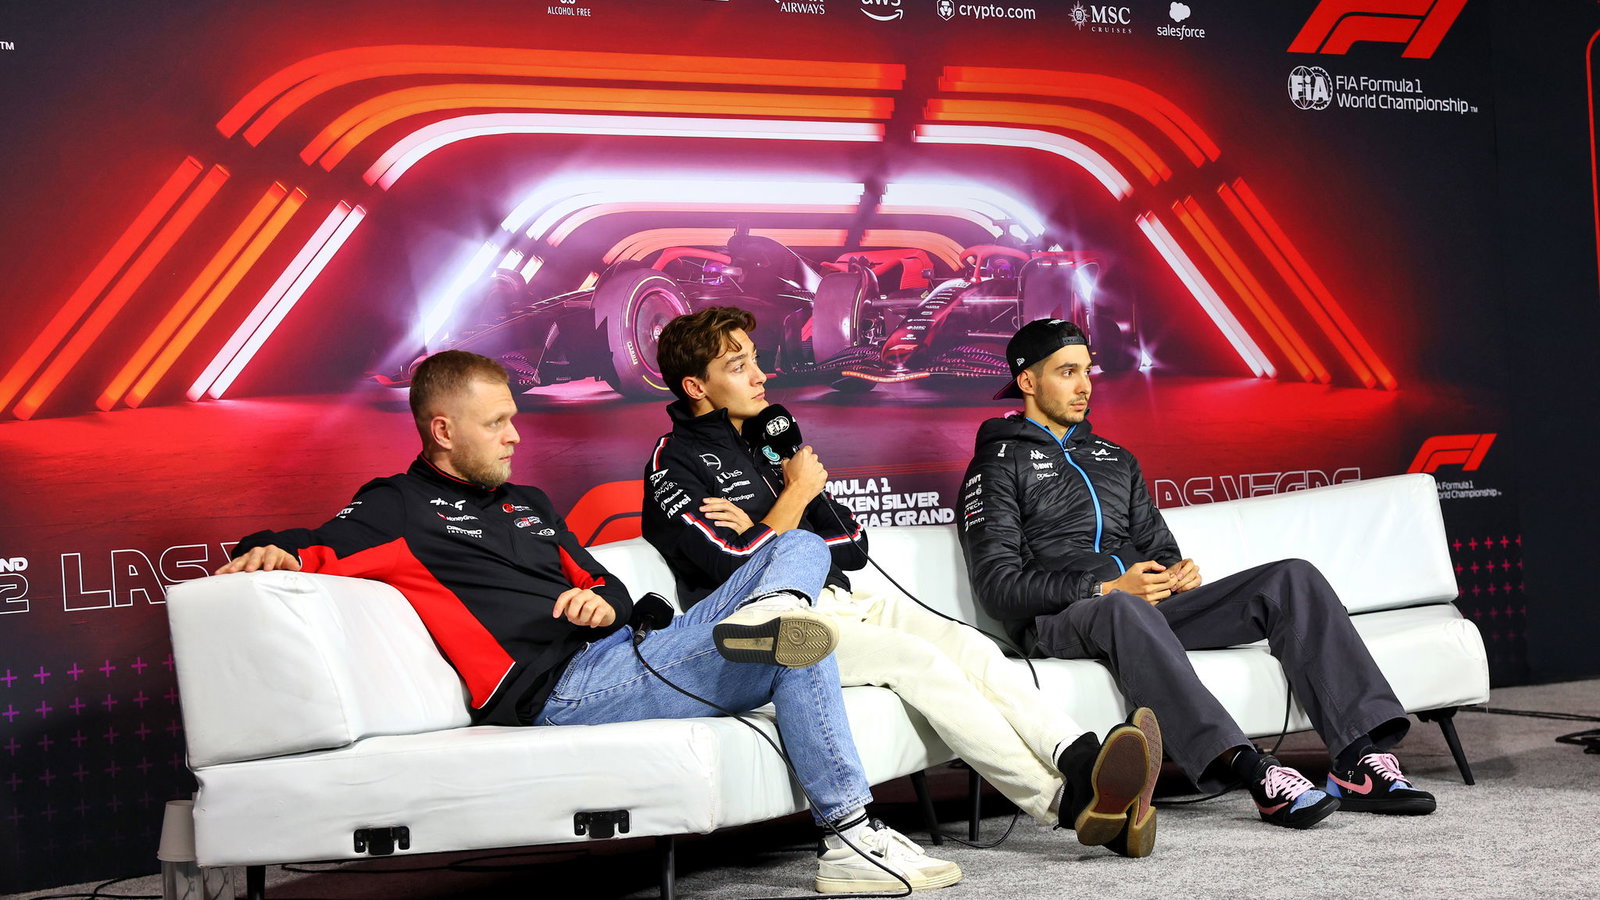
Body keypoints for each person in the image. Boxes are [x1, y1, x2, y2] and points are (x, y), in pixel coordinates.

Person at [212, 349, 962, 893]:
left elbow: (606, 586)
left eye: (513, 419)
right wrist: (258, 553)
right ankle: (848, 836)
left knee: (796, 548)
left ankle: (777, 618)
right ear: (442, 430)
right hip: (558, 694)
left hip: (631, 652)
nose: (514, 436)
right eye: (497, 423)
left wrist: (601, 601)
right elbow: (306, 541)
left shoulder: (530, 504)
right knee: (800, 644)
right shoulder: (396, 508)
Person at [641, 306, 1164, 858]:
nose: (760, 376)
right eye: (738, 365)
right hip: (776, 628)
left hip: (845, 596)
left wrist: (768, 526)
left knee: (968, 643)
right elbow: (733, 565)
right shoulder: (671, 463)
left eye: (755, 361)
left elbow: (852, 544)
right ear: (696, 385)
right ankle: (1066, 802)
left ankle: (1082, 760)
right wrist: (793, 499)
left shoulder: (772, 445)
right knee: (920, 661)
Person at [958, 318, 1439, 830]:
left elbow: (1160, 549)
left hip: (1146, 608)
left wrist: (1176, 572)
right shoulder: (996, 464)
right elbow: (998, 587)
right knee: (1125, 607)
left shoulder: (1115, 459)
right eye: (1066, 372)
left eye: (1087, 371)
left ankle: (1356, 759)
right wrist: (1104, 588)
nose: (1084, 386)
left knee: (1291, 578)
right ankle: (1253, 771)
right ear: (1027, 382)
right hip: (1062, 620)